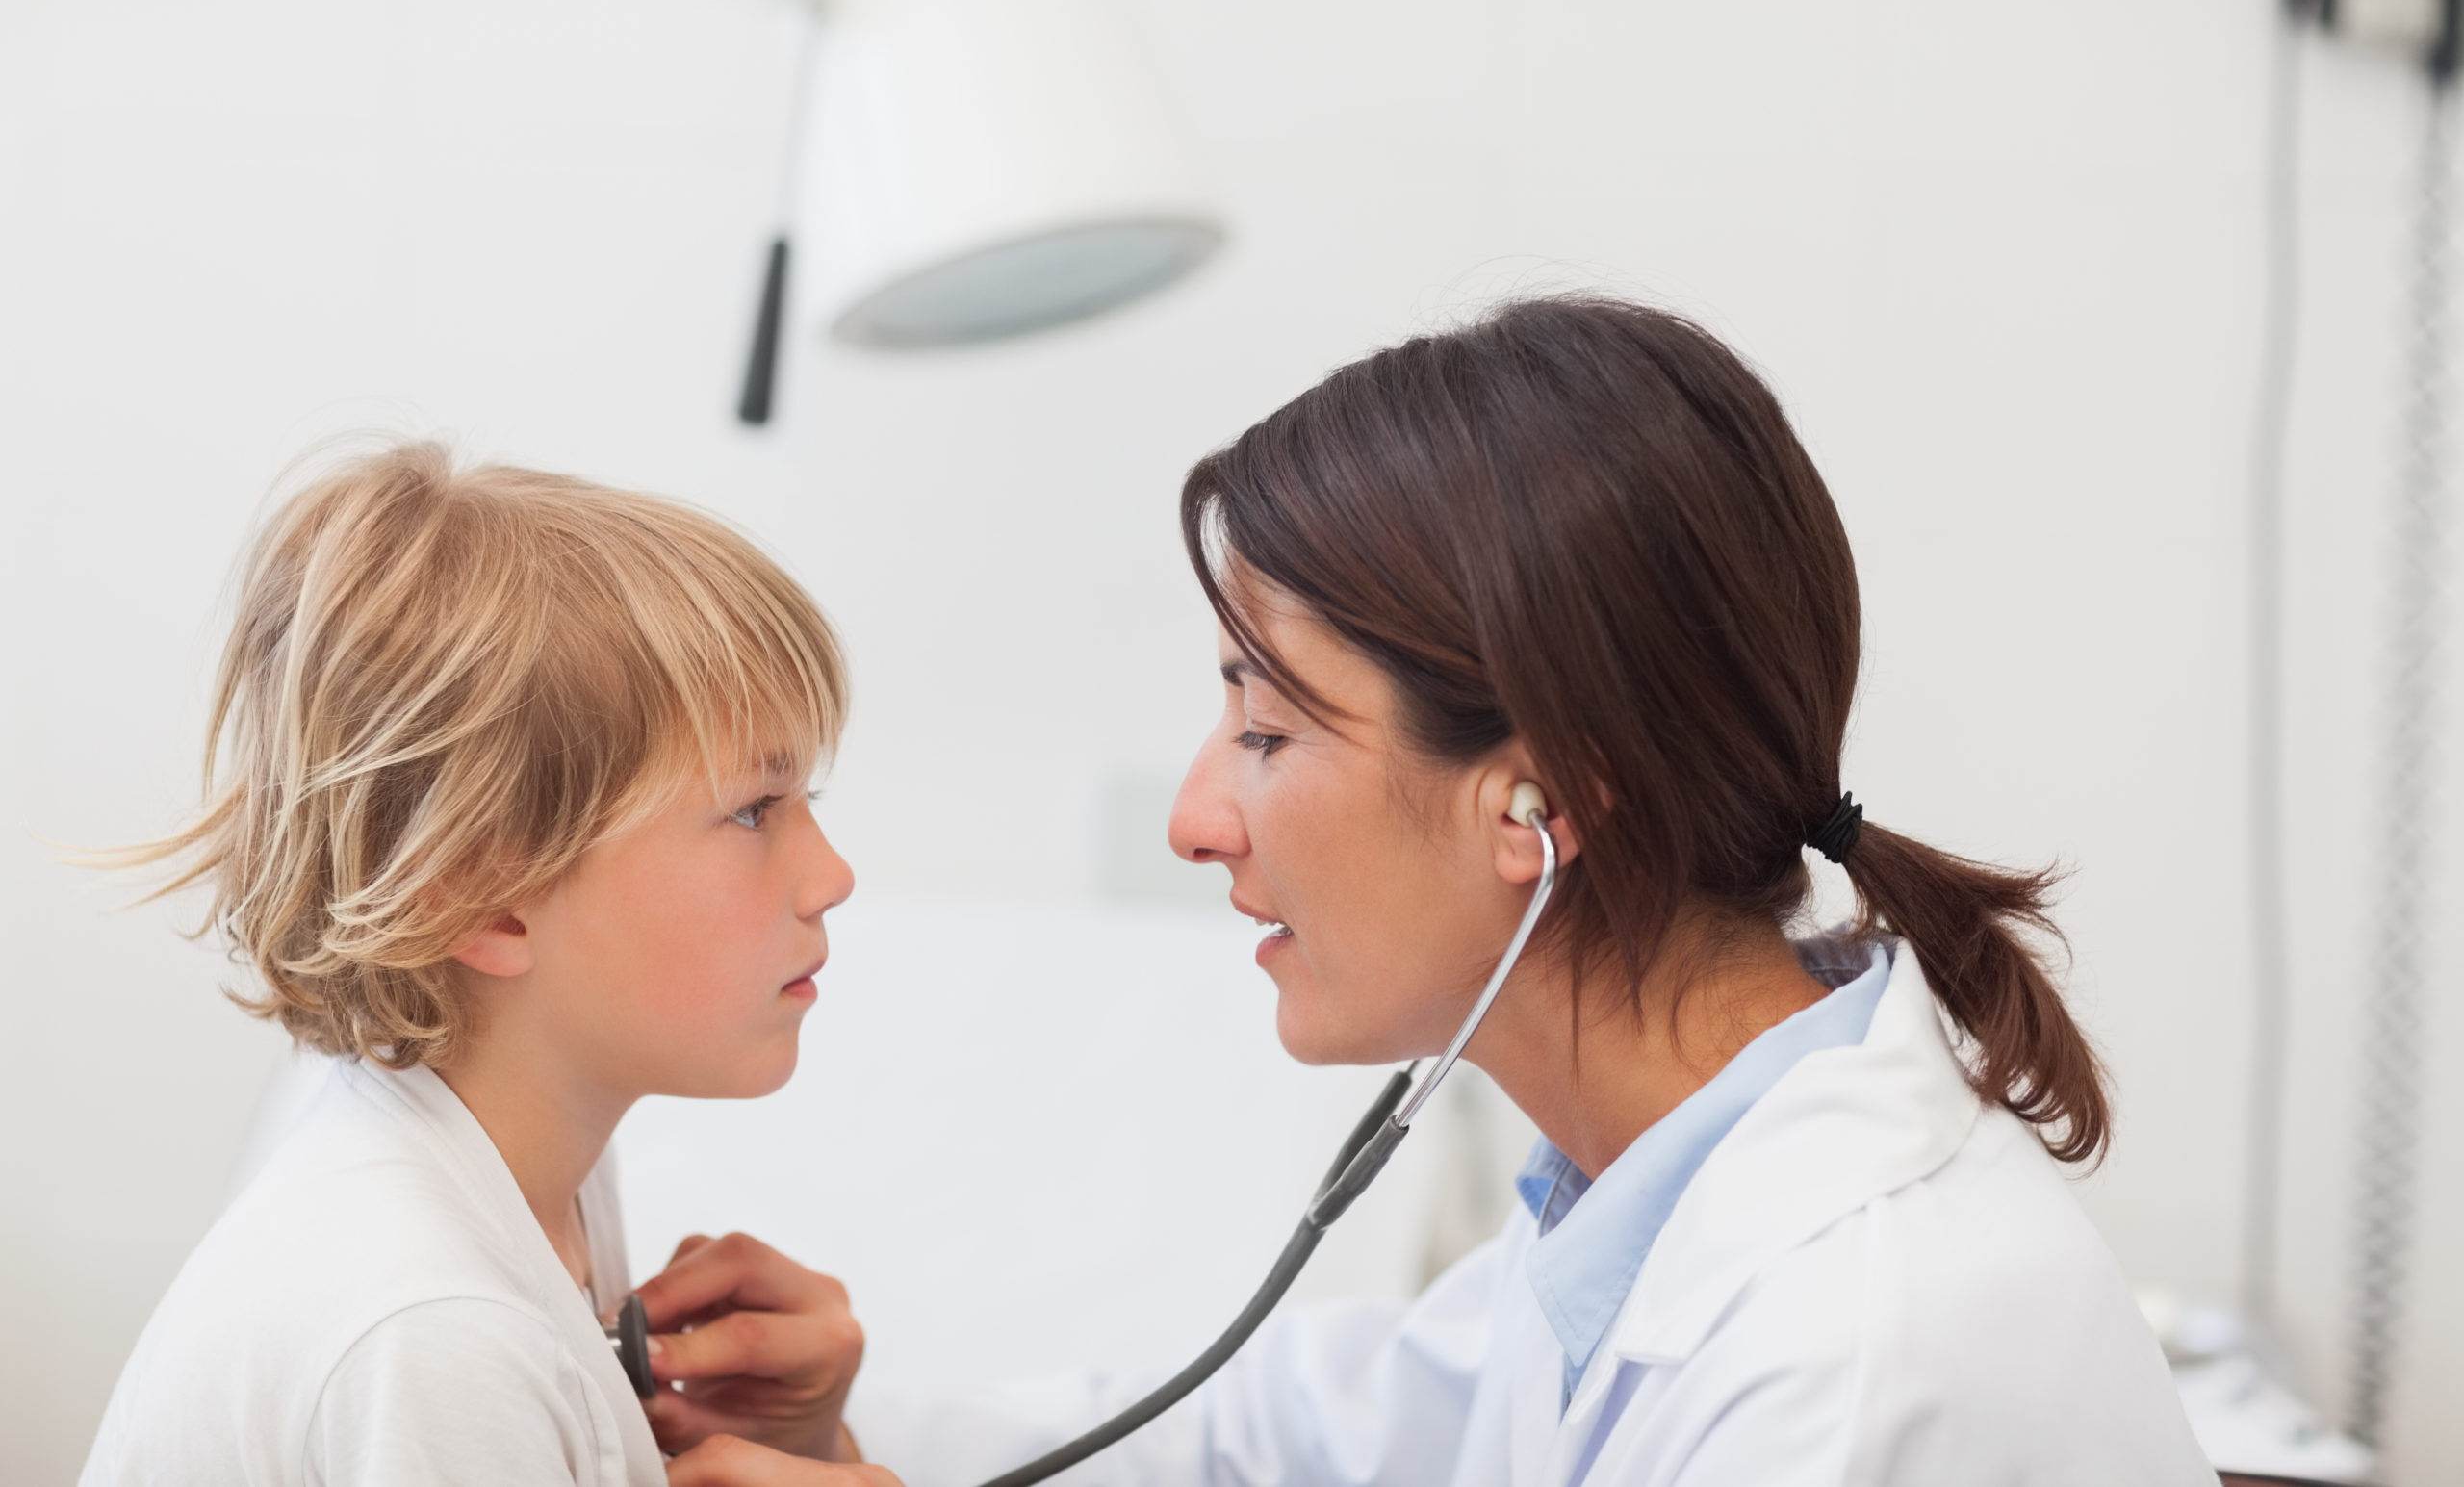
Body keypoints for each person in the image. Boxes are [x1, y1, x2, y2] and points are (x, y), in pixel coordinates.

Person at [629, 297, 2218, 1485]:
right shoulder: (1637, 1199)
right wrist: (853, 1437)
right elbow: (1276, 1445)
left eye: (1264, 727)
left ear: (1539, 796)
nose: (1197, 817)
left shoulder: (1849, 1366)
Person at [79, 443, 894, 1487]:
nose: (831, 877)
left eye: (805, 804)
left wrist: (809, 1448)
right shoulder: (435, 1329)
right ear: (484, 902)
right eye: (752, 810)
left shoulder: (529, 1162)